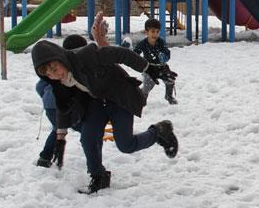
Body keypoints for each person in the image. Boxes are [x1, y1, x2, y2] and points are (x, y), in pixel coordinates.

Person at [31, 32, 179, 194]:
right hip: (97, 102)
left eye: (54, 68)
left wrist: (149, 68)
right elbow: (63, 106)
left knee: (126, 145)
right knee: (88, 138)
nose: (55, 74)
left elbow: (120, 54)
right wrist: (60, 137)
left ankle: (158, 132)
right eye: (48, 74)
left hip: (119, 96)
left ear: (60, 58)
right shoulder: (59, 83)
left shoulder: (86, 56)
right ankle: (98, 176)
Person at [35, 18, 110, 169]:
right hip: (63, 107)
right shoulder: (74, 69)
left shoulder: (56, 67)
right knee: (91, 133)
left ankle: (45, 157)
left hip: (51, 107)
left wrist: (46, 96)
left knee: (58, 128)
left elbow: (40, 86)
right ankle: (96, 164)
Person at [133, 18, 177, 105]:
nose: (155, 34)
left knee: (170, 80)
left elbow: (166, 53)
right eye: (153, 31)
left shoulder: (161, 42)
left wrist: (165, 56)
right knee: (148, 86)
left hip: (162, 67)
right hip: (149, 68)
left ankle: (169, 96)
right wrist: (138, 61)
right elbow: (135, 55)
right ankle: (142, 98)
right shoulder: (142, 44)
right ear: (146, 32)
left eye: (157, 31)